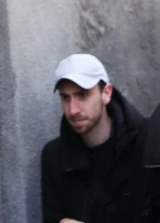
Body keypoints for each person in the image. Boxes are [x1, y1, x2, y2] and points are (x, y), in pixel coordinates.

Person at [41, 54, 149, 223]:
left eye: (82, 95)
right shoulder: (54, 157)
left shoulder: (145, 142)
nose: (73, 109)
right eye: (65, 98)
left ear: (106, 93)